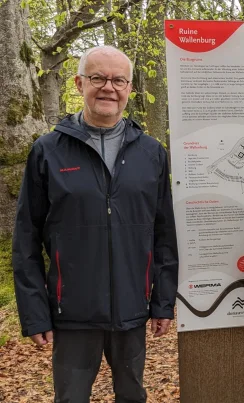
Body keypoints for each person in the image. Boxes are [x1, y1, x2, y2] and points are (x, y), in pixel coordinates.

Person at [12, 45, 178, 403]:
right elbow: (25, 238)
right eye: (98, 78)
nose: (109, 88)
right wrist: (35, 312)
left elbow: (164, 234)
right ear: (78, 83)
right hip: (72, 311)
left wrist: (163, 302)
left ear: (130, 89)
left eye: (119, 80)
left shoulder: (152, 153)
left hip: (132, 308)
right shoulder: (48, 151)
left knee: (132, 396)